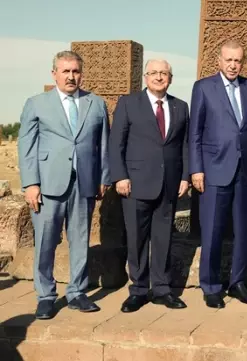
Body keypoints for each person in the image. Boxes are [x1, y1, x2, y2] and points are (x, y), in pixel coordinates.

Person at [17, 50, 110, 319]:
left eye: (75, 71)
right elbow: (27, 146)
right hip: (47, 186)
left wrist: (104, 177)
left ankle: (77, 292)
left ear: (82, 73)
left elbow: (103, 143)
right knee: (45, 241)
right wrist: (30, 183)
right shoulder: (36, 103)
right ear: (54, 73)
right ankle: (45, 296)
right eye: (65, 71)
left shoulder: (96, 103)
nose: (71, 76)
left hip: (84, 183)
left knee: (80, 240)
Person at [109, 59, 190, 313]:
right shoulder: (128, 103)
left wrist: (185, 177)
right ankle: (139, 290)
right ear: (145, 77)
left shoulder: (180, 106)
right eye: (154, 73)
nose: (158, 77)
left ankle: (162, 289)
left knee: (164, 238)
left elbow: (184, 145)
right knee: (137, 239)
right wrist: (120, 176)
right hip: (135, 183)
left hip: (169, 185)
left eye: (163, 73)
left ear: (170, 78)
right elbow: (116, 144)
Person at [189, 40, 247, 308]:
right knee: (212, 230)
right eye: (229, 60)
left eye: (238, 60)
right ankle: (210, 286)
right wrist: (196, 169)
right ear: (219, 61)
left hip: (244, 171)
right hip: (213, 170)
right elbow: (195, 133)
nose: (233, 65)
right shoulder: (203, 88)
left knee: (244, 231)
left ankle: (238, 283)